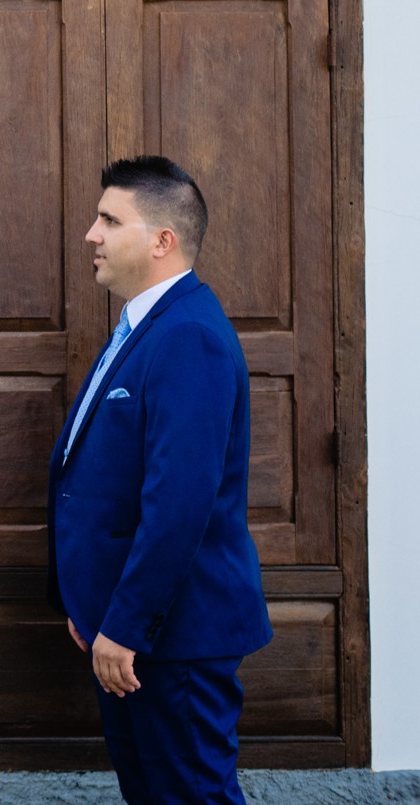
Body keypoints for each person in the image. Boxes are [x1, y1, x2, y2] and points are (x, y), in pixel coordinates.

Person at [47, 156, 272, 804]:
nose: (91, 233)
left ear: (161, 240)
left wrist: (125, 625)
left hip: (171, 638)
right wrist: (88, 603)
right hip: (131, 631)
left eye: (109, 219)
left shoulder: (188, 335)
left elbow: (178, 503)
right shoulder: (144, 327)